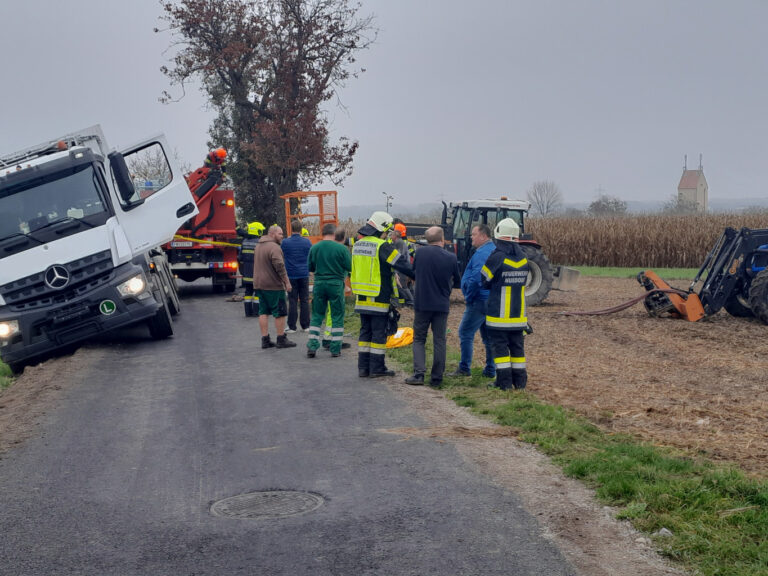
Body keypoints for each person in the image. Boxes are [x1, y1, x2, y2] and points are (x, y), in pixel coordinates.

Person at [351, 211, 414, 378]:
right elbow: (401, 264)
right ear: (382, 228)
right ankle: (377, 368)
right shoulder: (382, 246)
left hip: (361, 297)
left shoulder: (358, 244)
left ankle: (363, 368)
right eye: (388, 231)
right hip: (378, 297)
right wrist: (417, 275)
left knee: (365, 333)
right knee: (379, 333)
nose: (388, 234)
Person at [405, 227, 461, 387]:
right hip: (441, 305)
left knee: (419, 339)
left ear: (427, 239)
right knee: (439, 340)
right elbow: (457, 280)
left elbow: (414, 272)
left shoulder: (420, 253)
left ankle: (419, 374)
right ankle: (437, 377)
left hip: (422, 303)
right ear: (442, 239)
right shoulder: (451, 257)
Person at [481, 218, 529, 390]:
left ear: (498, 236)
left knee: (500, 351)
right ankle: (520, 383)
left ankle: (504, 384)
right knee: (517, 350)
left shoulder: (497, 256)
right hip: (518, 315)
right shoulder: (523, 257)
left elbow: (484, 280)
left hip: (499, 316)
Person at [451, 223, 497, 378]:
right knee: (488, 337)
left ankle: (464, 368)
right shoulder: (490, 250)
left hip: (478, 300)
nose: (471, 237)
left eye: (473, 234)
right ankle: (490, 370)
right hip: (488, 300)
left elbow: (477, 278)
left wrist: (469, 296)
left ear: (483, 236)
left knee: (465, 333)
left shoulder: (483, 253)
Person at [307, 223, 352, 358]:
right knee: (337, 316)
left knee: (316, 315)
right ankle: (335, 348)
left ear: (323, 233)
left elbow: (311, 268)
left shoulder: (314, 248)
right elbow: (349, 266)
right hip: (336, 285)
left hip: (319, 284)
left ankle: (312, 346)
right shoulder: (341, 249)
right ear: (334, 234)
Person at [253, 225, 296, 349]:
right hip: (273, 285)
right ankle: (281, 338)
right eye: (280, 234)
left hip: (259, 284)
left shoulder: (259, 246)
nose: (282, 236)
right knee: (280, 312)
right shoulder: (274, 247)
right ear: (272, 234)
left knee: (263, 312)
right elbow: (280, 266)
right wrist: (287, 282)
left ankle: (265, 339)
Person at [281, 220, 312, 333]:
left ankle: (292, 326)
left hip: (291, 275)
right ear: (301, 229)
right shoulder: (307, 242)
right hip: (304, 274)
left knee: (292, 300)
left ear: (291, 228)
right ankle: (306, 325)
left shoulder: (285, 242)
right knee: (304, 300)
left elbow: (282, 255)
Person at [237, 221, 265, 317]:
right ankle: (256, 312)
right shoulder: (260, 243)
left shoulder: (244, 242)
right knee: (257, 293)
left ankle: (248, 313)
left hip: (246, 274)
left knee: (248, 293)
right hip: (257, 274)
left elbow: (240, 257)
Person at [389, 223, 414, 307]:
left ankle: (411, 302)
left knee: (402, 286)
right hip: (402, 268)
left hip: (401, 269)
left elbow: (398, 257)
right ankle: (404, 303)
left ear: (395, 236)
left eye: (391, 235)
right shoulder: (400, 242)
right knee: (403, 286)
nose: (390, 236)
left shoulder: (399, 243)